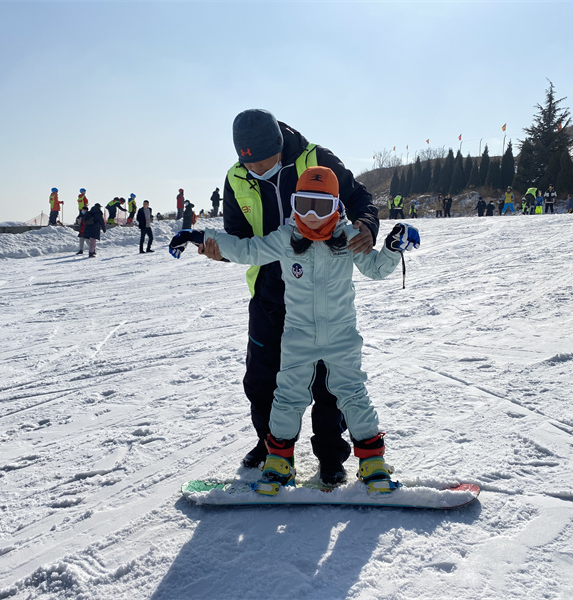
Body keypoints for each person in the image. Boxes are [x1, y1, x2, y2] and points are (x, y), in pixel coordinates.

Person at [169, 166, 419, 495]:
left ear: (336, 206)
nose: (311, 216)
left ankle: (372, 462)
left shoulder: (348, 237)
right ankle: (279, 462)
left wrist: (392, 248)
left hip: (341, 337)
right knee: (287, 397)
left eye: (321, 207)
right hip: (298, 337)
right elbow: (246, 249)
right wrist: (201, 236)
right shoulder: (286, 238)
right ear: (293, 204)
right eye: (304, 205)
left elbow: (375, 269)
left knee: (353, 395)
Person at [198, 108, 380, 485]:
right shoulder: (237, 177)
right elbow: (241, 238)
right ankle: (273, 449)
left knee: (328, 379)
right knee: (262, 378)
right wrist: (221, 251)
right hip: (268, 290)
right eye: (250, 164)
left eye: (265, 162)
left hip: (318, 289)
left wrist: (366, 225)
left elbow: (360, 198)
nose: (257, 170)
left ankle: (331, 456)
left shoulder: (316, 160)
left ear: (280, 146)